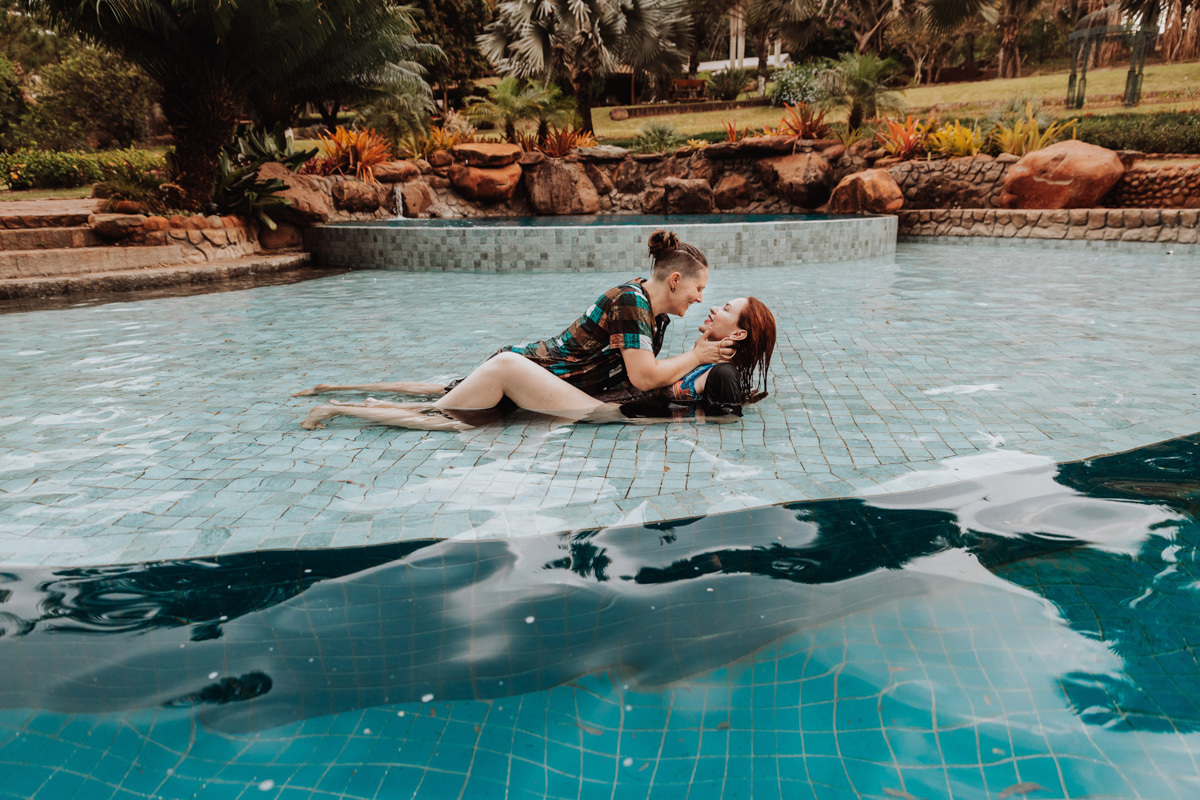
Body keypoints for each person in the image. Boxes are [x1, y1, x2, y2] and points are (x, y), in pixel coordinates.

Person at [296, 233, 777, 431]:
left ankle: (336, 392)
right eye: (699, 288)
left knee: (445, 396)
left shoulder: (654, 314)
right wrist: (697, 357)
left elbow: (640, 381)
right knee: (443, 416)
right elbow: (646, 376)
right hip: (536, 374)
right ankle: (340, 405)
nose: (702, 299)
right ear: (675, 279)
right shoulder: (633, 302)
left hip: (547, 376)